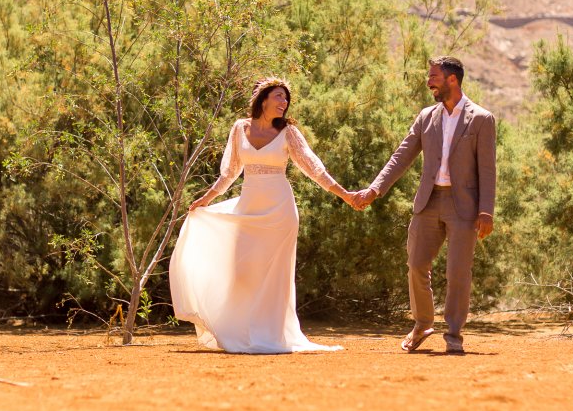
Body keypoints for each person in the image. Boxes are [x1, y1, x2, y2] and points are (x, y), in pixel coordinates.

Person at [170, 77, 358, 354]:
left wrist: (345, 194)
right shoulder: (239, 129)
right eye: (279, 97)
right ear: (263, 99)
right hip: (248, 208)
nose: (284, 103)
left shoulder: (288, 133)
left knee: (274, 276)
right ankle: (240, 332)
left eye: (286, 99)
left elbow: (314, 169)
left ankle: (272, 335)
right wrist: (206, 199)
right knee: (242, 272)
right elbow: (230, 173)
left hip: (279, 213)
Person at [353, 56, 496, 354]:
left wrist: (486, 211)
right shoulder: (426, 117)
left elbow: (488, 169)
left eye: (434, 76)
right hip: (428, 202)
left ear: (452, 80)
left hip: (465, 207)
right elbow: (400, 157)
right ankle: (422, 323)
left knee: (458, 272)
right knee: (417, 265)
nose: (429, 81)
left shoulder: (481, 118)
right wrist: (375, 189)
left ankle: (454, 334)